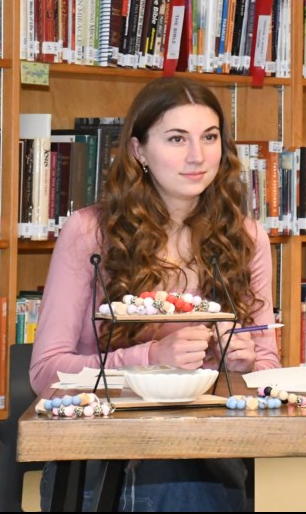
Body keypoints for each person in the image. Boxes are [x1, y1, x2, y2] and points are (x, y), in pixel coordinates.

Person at [30, 76, 280, 511]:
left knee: (185, 472)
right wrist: (151, 358)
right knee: (168, 476)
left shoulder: (247, 238)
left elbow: (269, 363)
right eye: (176, 139)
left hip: (205, 452)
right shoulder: (90, 232)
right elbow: (46, 373)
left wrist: (246, 362)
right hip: (99, 448)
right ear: (138, 151)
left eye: (210, 137)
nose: (198, 156)